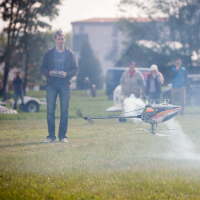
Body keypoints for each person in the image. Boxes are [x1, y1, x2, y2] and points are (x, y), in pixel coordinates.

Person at [40, 31, 79, 143]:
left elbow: (76, 69)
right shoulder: (49, 53)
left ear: (65, 40)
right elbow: (42, 67)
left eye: (62, 38)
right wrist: (49, 73)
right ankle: (51, 137)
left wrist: (67, 74)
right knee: (50, 111)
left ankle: (62, 137)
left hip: (65, 85)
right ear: (55, 40)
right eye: (58, 38)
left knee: (64, 112)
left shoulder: (70, 53)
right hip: (51, 85)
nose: (60, 40)